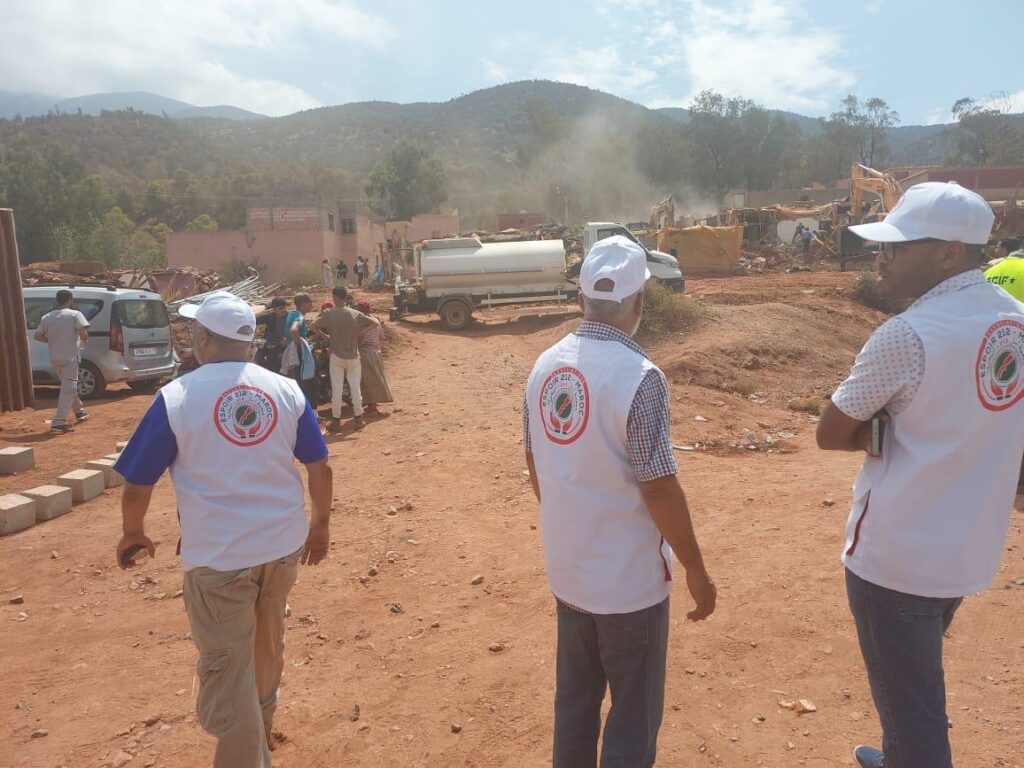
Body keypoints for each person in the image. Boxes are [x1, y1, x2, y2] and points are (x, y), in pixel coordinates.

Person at [815, 182, 1024, 768]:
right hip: (968, 551)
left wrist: (875, 429)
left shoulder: (907, 335)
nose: (882, 259)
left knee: (914, 710)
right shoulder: (1016, 322)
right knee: (912, 690)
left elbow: (830, 433)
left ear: (948, 254)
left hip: (897, 560)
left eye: (897, 248)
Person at [113, 291, 333, 768]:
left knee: (227, 668)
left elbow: (138, 482)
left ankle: (247, 754)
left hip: (219, 560)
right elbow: (320, 467)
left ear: (202, 338)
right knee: (266, 646)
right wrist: (320, 525)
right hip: (281, 548)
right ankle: (263, 725)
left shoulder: (177, 398)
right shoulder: (285, 390)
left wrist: (133, 532)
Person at [523, 236, 717, 768]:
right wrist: (697, 570)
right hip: (630, 587)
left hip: (570, 574)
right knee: (632, 717)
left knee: (574, 705)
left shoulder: (543, 367)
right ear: (639, 304)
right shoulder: (640, 377)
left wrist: (572, 524)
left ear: (581, 298)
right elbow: (659, 486)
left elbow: (536, 461)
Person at [310, 286, 378, 431]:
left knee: (337, 388)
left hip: (336, 354)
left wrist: (326, 336)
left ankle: (336, 421)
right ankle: (358, 419)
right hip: (353, 355)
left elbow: (312, 326)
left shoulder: (328, 313)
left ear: (334, 297)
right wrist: (359, 333)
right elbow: (375, 323)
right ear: (346, 297)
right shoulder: (354, 313)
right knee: (355, 387)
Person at [34, 289, 90, 434]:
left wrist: (52, 340)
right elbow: (83, 332)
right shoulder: (75, 314)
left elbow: (38, 336)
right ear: (70, 300)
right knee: (69, 388)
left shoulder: (47, 317)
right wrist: (84, 340)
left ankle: (79, 411)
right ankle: (58, 422)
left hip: (55, 358)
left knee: (68, 386)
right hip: (70, 359)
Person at [355, 300, 393, 415]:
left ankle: (372, 407)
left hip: (364, 354)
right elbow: (381, 336)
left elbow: (357, 339)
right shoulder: (375, 320)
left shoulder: (359, 323)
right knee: (376, 379)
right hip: (376, 353)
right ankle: (372, 405)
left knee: (368, 381)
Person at [254, 297, 289, 373]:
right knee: (259, 361)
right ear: (274, 309)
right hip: (266, 343)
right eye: (280, 308)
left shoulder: (288, 316)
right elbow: (252, 319)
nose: (283, 310)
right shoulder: (268, 316)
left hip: (281, 346)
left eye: (284, 307)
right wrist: (265, 312)